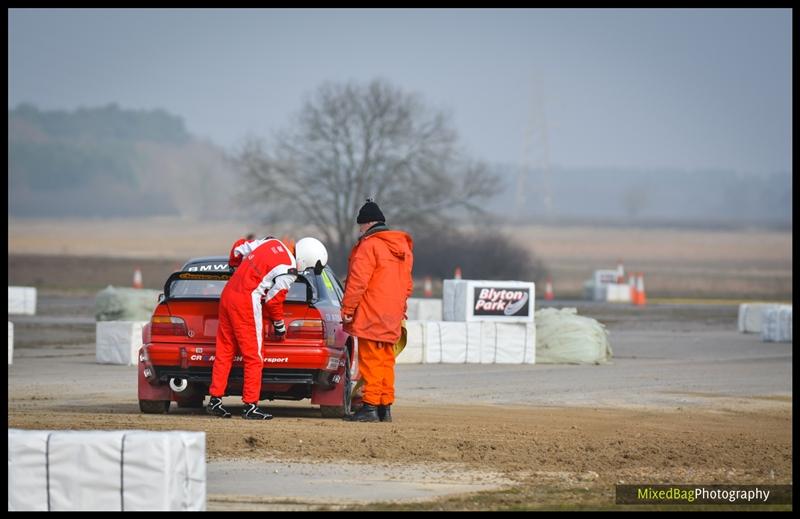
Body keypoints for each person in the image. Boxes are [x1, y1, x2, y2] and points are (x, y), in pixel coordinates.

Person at [207, 236, 328, 419]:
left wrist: (235, 266)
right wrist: (279, 326)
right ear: (306, 259)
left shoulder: (272, 242)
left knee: (224, 351)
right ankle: (250, 405)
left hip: (228, 294)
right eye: (310, 267)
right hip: (247, 301)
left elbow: (238, 248)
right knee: (254, 356)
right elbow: (273, 301)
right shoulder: (289, 270)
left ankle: (215, 400)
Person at [342, 199, 413, 422]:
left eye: (360, 226)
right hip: (393, 313)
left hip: (372, 311)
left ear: (367, 224)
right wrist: (400, 308)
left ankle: (370, 407)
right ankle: (385, 407)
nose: (360, 230)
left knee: (371, 360)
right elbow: (407, 285)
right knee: (385, 360)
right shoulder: (403, 248)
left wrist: (347, 308)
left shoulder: (369, 245)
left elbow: (358, 281)